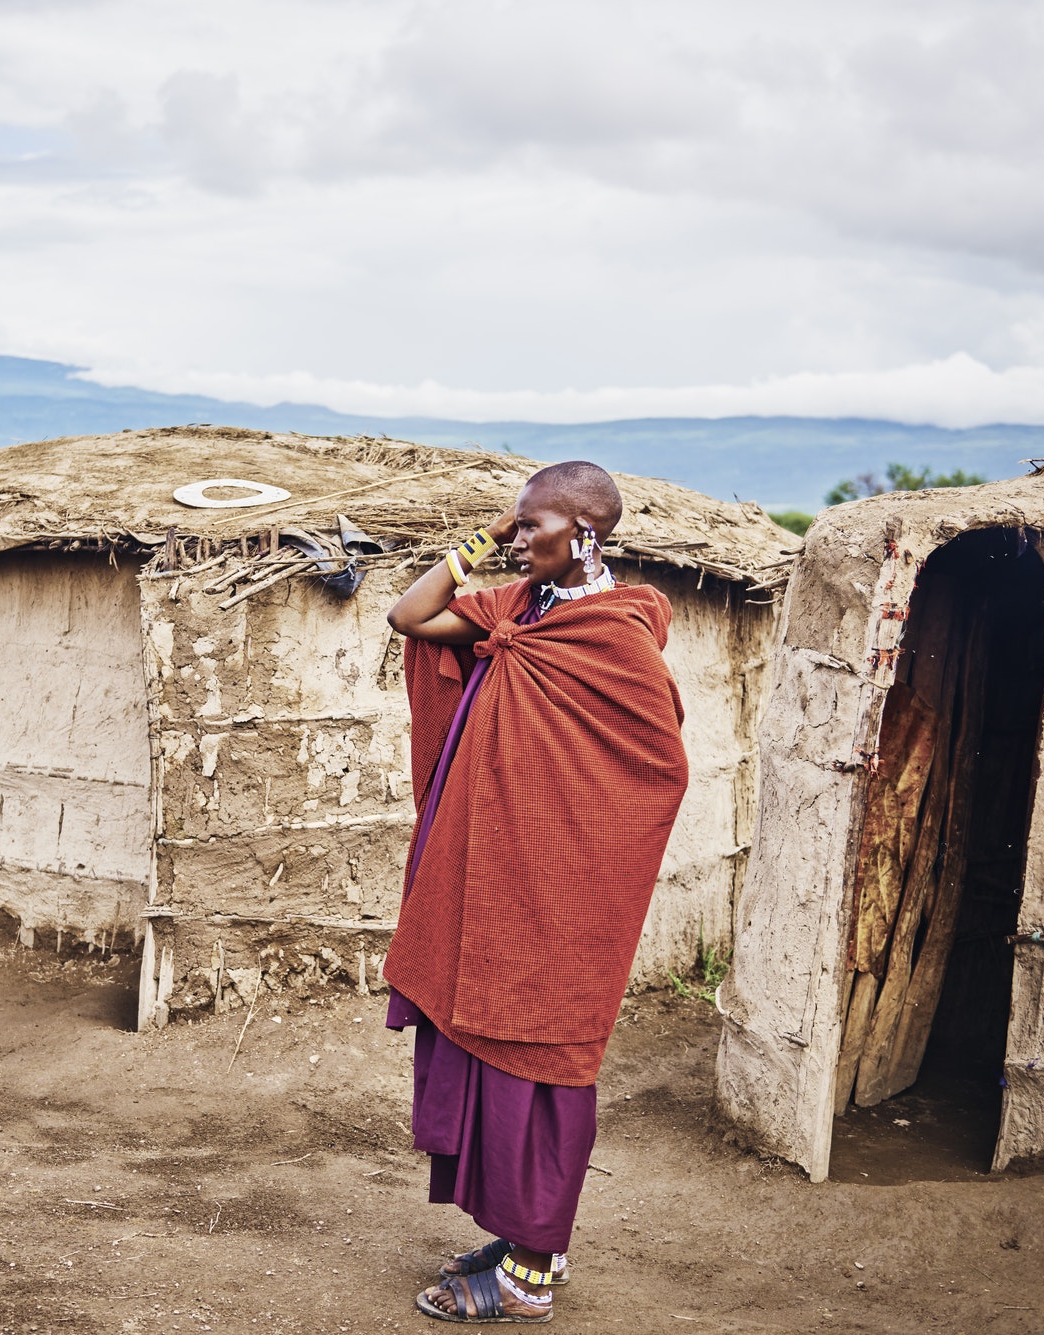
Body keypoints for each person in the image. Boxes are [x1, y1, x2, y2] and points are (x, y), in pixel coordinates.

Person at [382, 461, 690, 1324]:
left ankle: (531, 1276)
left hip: (561, 897)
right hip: (493, 882)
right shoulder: (515, 610)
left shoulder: (617, 638)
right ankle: (515, 1235)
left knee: (543, 1061)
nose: (518, 541)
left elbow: (655, 772)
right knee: (479, 1040)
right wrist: (478, 545)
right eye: (513, 528)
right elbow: (410, 615)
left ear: (585, 534)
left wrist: (571, 853)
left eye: (533, 528)